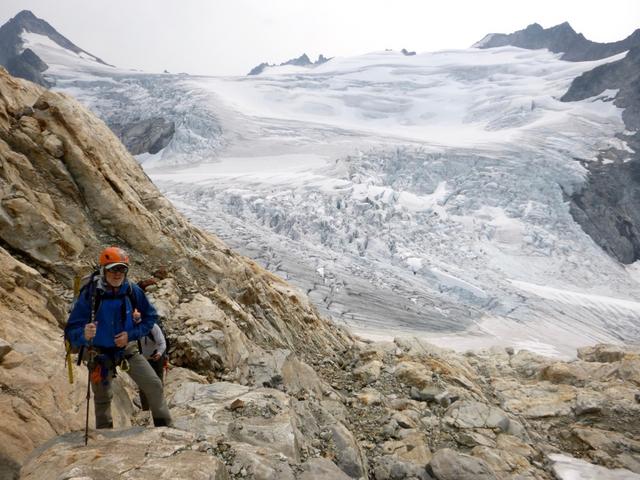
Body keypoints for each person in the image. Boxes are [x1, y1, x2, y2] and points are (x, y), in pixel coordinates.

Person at [66, 246, 173, 428]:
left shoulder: (131, 290)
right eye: (112, 269)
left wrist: (131, 335)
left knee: (154, 385)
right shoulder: (90, 294)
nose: (117, 274)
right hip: (98, 353)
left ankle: (164, 430)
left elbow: (150, 317)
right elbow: (70, 330)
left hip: (126, 349)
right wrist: (84, 334)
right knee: (102, 399)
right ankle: (106, 438)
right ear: (103, 270)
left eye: (122, 269)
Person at [137, 322, 167, 411]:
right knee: (142, 385)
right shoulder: (135, 328)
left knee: (157, 383)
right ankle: (145, 409)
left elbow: (162, 343)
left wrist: (159, 353)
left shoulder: (153, 327)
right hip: (143, 359)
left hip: (156, 359)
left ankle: (159, 408)